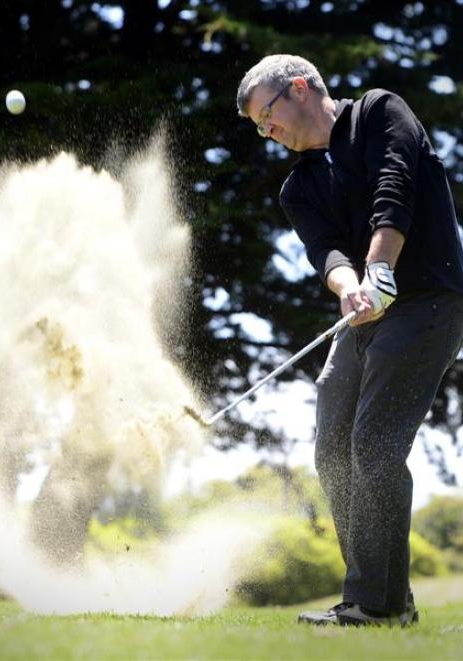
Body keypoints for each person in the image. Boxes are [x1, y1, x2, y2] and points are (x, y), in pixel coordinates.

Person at [236, 54, 463, 627]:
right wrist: (348, 286)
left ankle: (374, 605)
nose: (268, 133)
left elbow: (396, 186)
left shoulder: (381, 112)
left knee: (376, 442)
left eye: (268, 116)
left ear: (299, 88)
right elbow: (325, 251)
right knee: (333, 447)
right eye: (259, 129)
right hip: (364, 316)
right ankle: (387, 600)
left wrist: (380, 267)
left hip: (427, 300)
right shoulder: (299, 186)